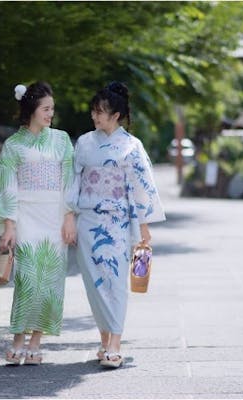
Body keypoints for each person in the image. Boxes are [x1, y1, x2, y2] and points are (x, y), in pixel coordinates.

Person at [71, 82, 165, 368]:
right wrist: (68, 216)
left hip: (117, 222)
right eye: (93, 111)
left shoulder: (131, 146)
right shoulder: (85, 142)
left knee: (114, 281)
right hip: (87, 220)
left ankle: (115, 343)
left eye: (100, 112)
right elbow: (73, 181)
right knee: (94, 283)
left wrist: (144, 228)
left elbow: (141, 187)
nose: (95, 117)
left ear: (116, 115)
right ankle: (103, 340)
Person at [0, 81, 76, 366]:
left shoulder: (61, 140)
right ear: (32, 109)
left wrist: (69, 217)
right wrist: (9, 224)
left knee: (49, 281)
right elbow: (6, 184)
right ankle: (17, 340)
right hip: (25, 217)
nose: (51, 114)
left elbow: (69, 181)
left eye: (52, 109)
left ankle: (37, 340)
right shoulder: (13, 145)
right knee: (26, 279)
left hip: (54, 218)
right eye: (46, 108)